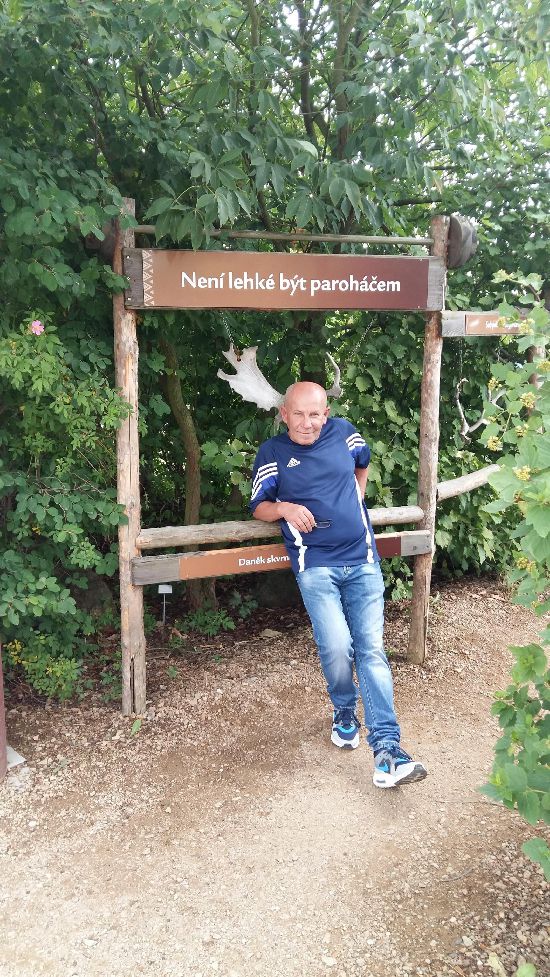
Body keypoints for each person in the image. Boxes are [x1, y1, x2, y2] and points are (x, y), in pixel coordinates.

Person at [250, 381, 427, 788]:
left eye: (315, 414)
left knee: (372, 651)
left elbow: (363, 461)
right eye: (298, 414)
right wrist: (285, 508)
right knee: (336, 647)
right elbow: (258, 505)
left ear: (326, 414)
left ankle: (388, 751)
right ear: (284, 414)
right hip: (315, 565)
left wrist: (357, 496)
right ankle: (345, 710)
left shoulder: (345, 433)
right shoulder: (273, 453)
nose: (307, 423)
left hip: (362, 560)